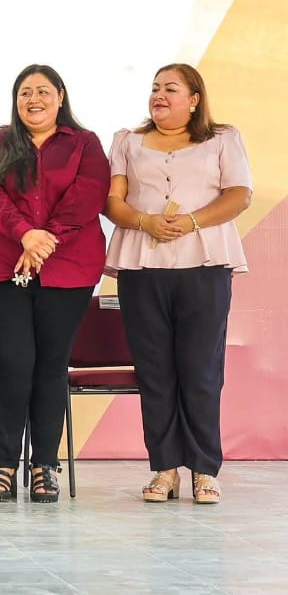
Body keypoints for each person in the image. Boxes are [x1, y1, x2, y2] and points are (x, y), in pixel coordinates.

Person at [103, 63, 252, 505]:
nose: (159, 95)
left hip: (204, 264)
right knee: (155, 371)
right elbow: (112, 201)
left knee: (201, 370)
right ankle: (164, 469)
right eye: (155, 88)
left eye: (170, 88)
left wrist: (191, 221)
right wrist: (144, 220)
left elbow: (239, 194)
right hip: (142, 267)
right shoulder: (127, 141)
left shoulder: (222, 138)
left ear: (194, 99)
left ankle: (205, 469)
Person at [0, 64, 110, 503]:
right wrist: (24, 233)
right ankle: (3, 465)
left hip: (69, 269)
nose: (34, 100)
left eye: (43, 91)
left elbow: (89, 194)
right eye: (25, 92)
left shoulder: (85, 144)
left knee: (51, 364)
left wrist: (44, 241)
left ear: (60, 97)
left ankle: (45, 464)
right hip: (2, 269)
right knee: (12, 363)